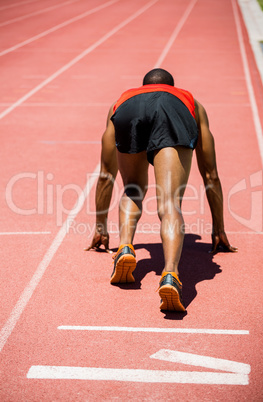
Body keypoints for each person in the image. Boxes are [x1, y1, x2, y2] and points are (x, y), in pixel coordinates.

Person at [85, 68, 237, 312]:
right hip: (172, 112)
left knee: (132, 189)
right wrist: (218, 228)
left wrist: (100, 226)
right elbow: (211, 173)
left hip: (128, 112)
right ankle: (170, 275)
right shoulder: (190, 101)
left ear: (143, 85)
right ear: (172, 86)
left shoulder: (120, 100)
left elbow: (105, 174)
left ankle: (125, 246)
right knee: (169, 204)